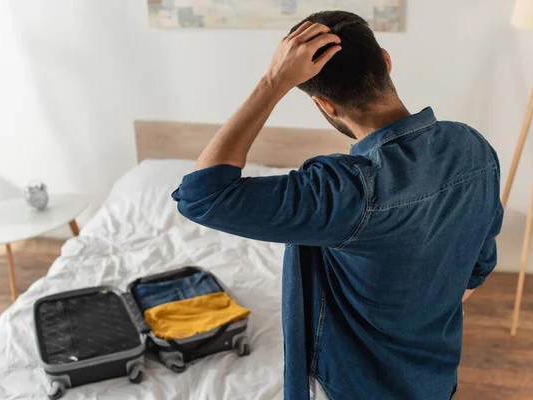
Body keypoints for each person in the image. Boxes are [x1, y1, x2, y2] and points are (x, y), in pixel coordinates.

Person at [172, 10, 503, 400]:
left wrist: (274, 82)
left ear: (325, 105)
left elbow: (202, 195)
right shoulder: (473, 147)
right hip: (435, 380)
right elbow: (478, 267)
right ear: (385, 60)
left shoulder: (344, 192)